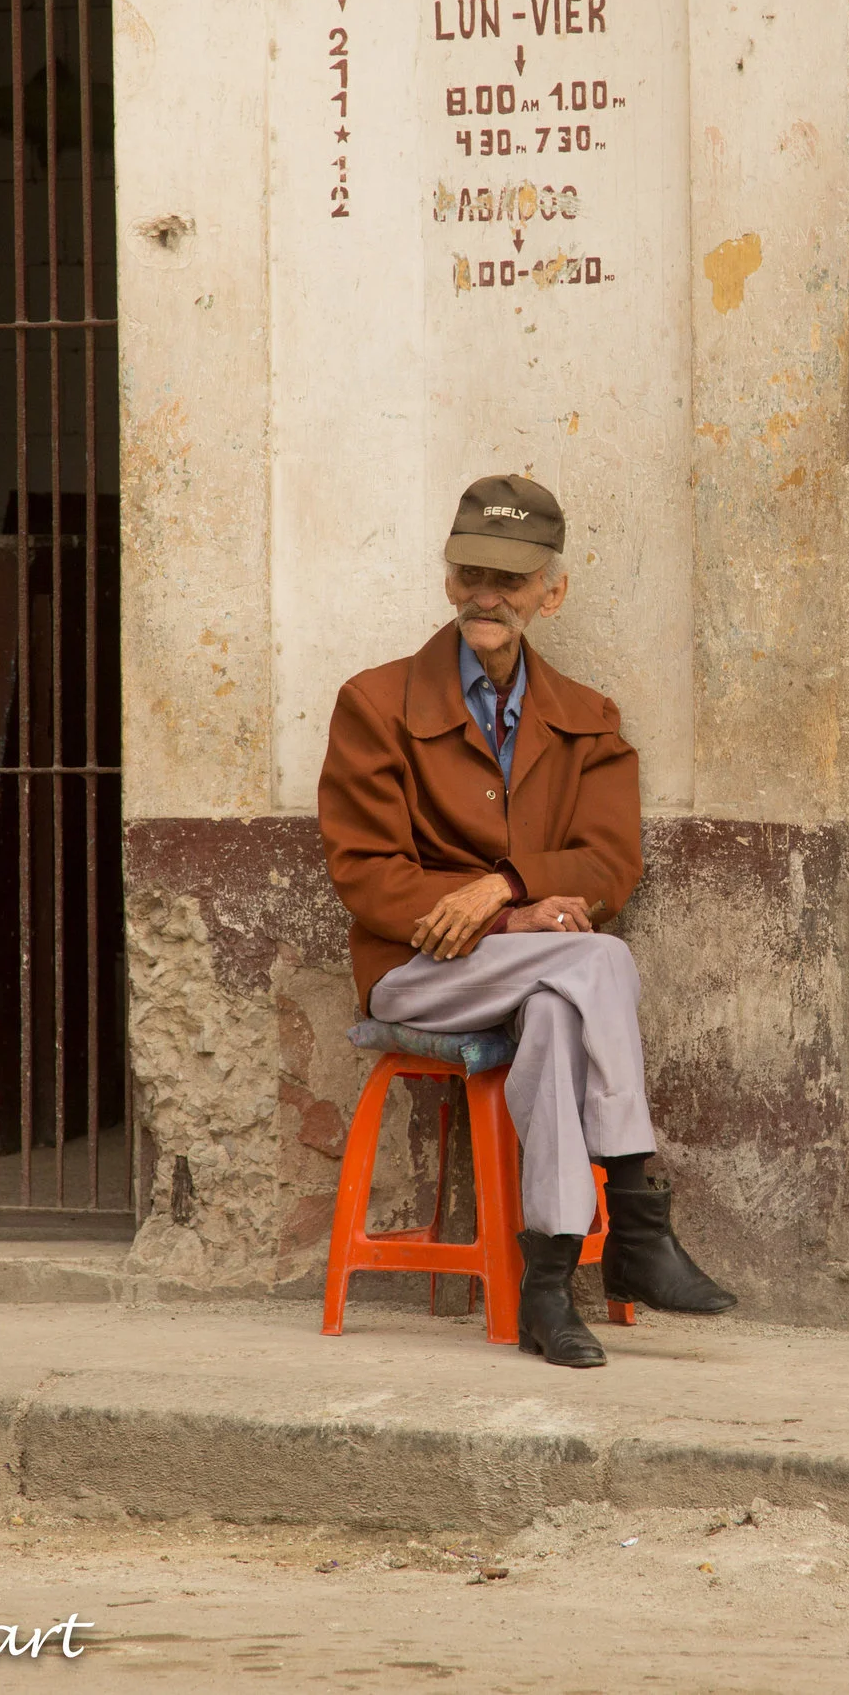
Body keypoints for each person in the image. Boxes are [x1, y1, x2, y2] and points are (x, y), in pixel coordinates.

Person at [317, 474, 735, 1368]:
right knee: (594, 961)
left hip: (526, 968)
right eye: (471, 571)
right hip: (417, 971)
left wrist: (502, 886)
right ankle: (634, 1218)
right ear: (446, 580)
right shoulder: (374, 703)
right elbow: (367, 875)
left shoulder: (588, 721)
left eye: (510, 578)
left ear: (553, 592)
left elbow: (610, 863)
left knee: (557, 1007)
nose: (487, 594)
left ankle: (546, 1290)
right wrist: (511, 918)